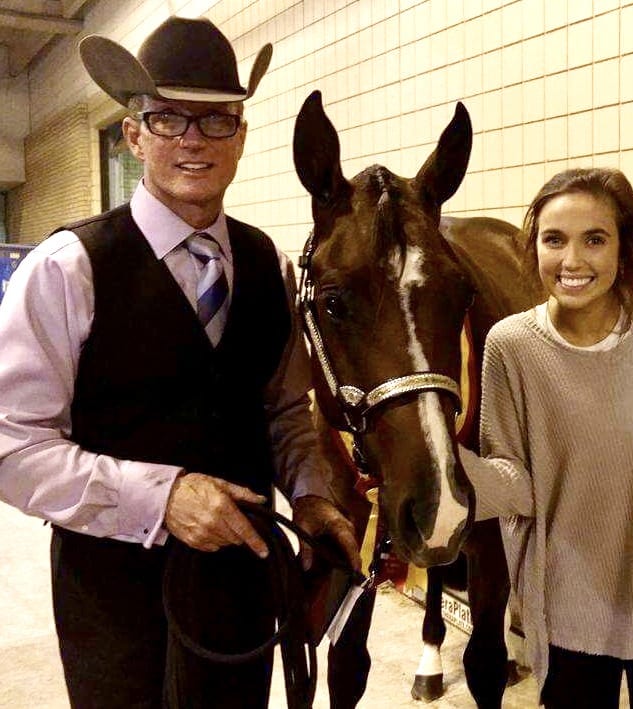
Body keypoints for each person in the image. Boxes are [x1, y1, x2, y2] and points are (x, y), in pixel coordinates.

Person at [0, 16, 359, 709]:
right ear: (134, 135)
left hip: (240, 592)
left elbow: (284, 410)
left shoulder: (268, 265)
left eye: (215, 120)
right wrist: (161, 497)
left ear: (242, 138)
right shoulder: (68, 269)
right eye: (168, 118)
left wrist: (312, 492)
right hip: (114, 597)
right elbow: (13, 446)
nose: (193, 139)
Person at [460, 168, 633, 708]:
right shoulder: (511, 344)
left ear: (624, 249)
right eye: (554, 240)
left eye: (594, 239)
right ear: (532, 247)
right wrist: (440, 467)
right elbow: (511, 476)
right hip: (568, 601)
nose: (572, 261)